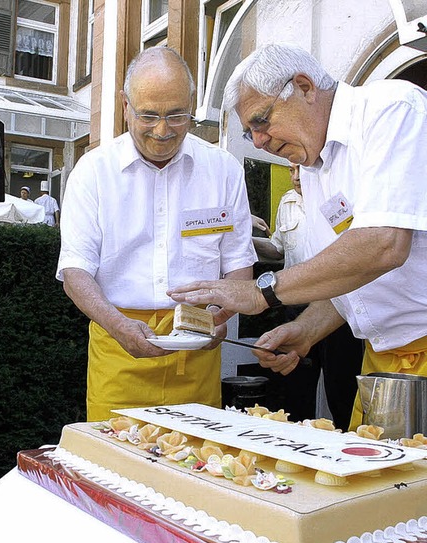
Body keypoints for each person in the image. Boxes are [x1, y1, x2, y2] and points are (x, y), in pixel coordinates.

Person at [168, 43, 427, 429]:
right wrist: (306, 331)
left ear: (304, 86)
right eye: (250, 131)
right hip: (383, 362)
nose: (258, 141)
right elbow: (350, 278)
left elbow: (384, 244)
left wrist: (261, 291)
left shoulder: (392, 109)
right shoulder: (312, 167)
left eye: (261, 121)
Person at [57, 46, 256, 421]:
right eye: (148, 115)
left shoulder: (224, 169)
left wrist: (218, 315)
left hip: (196, 352)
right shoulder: (93, 171)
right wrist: (118, 325)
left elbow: (238, 267)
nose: (163, 131)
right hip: (119, 350)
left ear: (193, 105)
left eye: (177, 116)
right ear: (125, 105)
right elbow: (75, 273)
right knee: (115, 469)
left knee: (198, 465)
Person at [252, 163, 363, 429]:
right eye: (291, 170)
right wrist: (244, 239)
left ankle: (347, 446)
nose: (296, 176)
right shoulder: (287, 202)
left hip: (338, 307)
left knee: (342, 388)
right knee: (295, 389)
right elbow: (278, 249)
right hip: (294, 307)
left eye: (301, 169)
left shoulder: (339, 197)